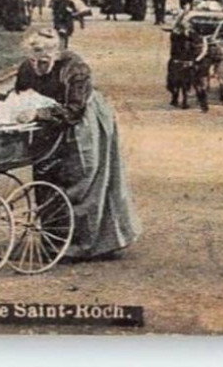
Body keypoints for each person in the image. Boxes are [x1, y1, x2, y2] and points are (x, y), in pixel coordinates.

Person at [15, 28, 142, 260]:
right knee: (46, 176)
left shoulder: (76, 68)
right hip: (47, 125)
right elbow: (20, 96)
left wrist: (38, 114)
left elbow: (75, 110)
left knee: (82, 178)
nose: (39, 65)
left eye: (45, 59)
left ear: (56, 53)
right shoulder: (25, 69)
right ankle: (55, 240)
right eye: (34, 59)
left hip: (82, 124)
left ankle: (89, 244)